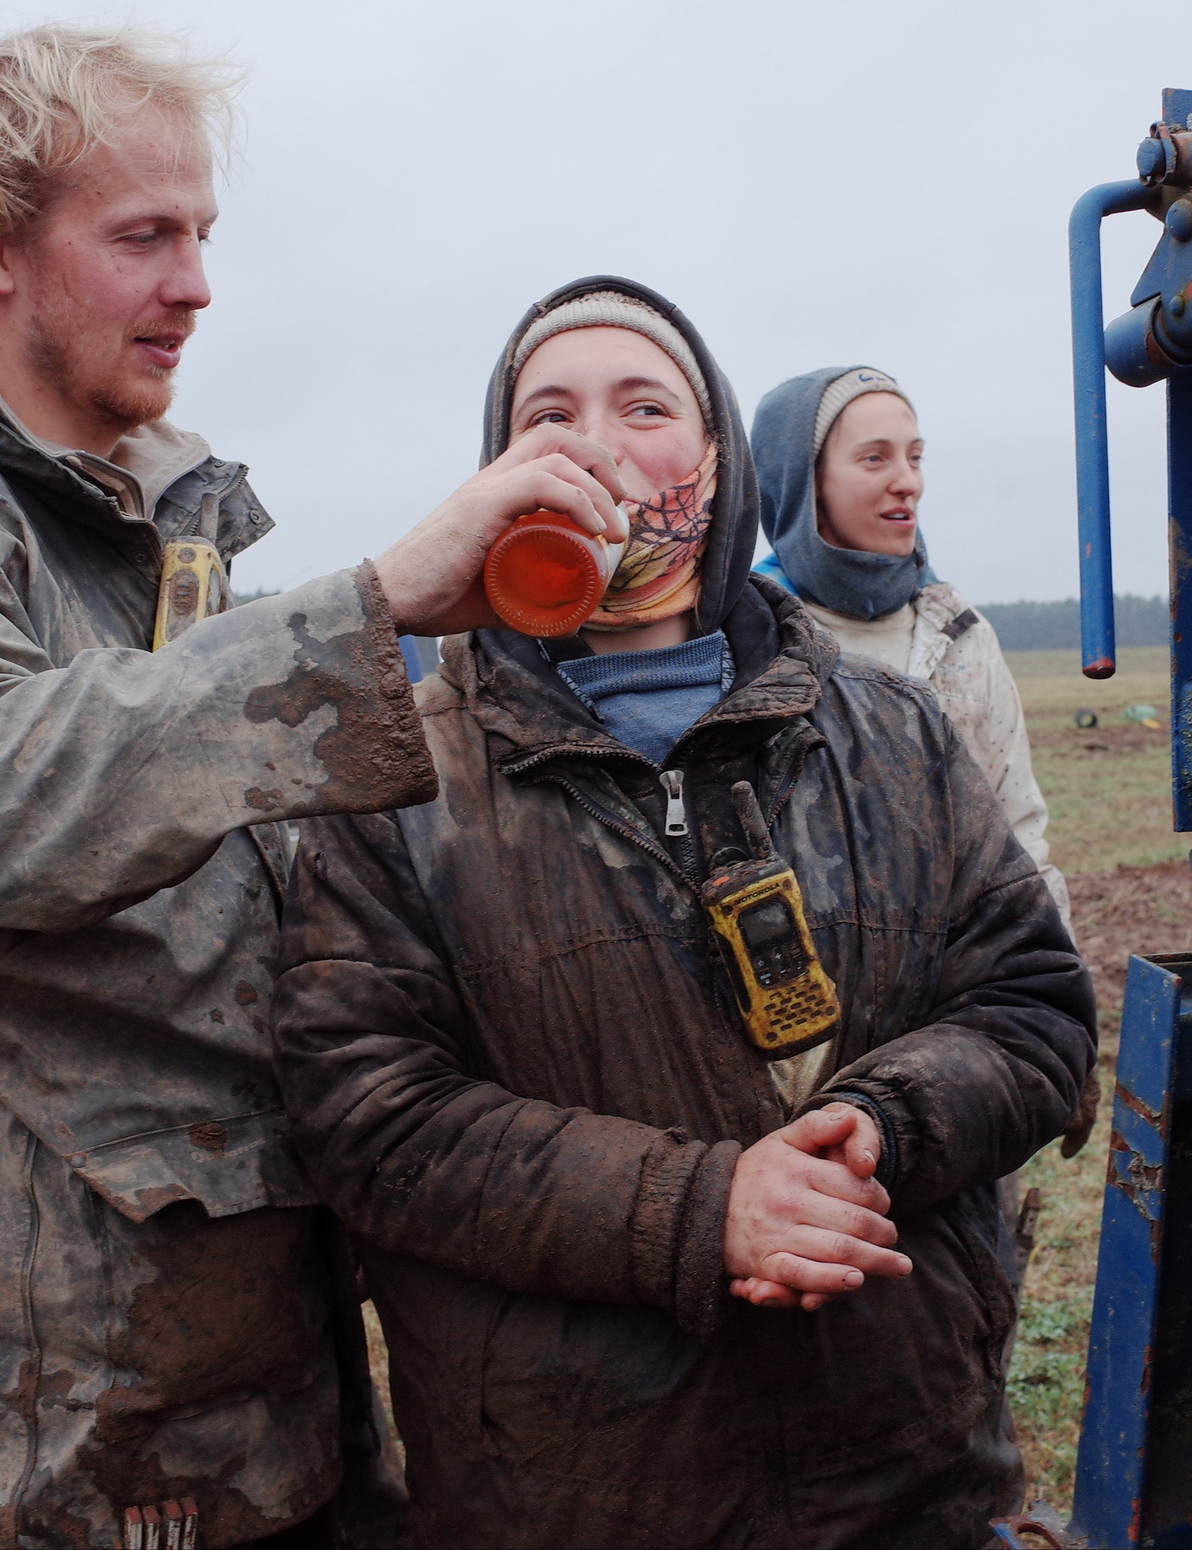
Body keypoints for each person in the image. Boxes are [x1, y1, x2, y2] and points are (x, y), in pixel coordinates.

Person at [0, 25, 636, 1549]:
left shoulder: (158, 516)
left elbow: (225, 844)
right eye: (143, 237)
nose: (197, 285)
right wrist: (368, 610)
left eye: (204, 234)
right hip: (89, 1421)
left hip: (262, 1348)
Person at [271, 276, 1097, 1547]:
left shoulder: (892, 731)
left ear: (719, 459)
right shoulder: (401, 776)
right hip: (568, 1495)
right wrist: (702, 1210)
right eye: (549, 415)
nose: (595, 445)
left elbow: (1034, 1010)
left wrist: (879, 1128)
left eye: (645, 406)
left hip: (903, 1468)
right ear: (499, 474)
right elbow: (368, 1114)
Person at [751, 368, 1068, 921]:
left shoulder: (961, 636)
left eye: (915, 457)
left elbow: (1021, 841)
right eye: (875, 458)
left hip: (965, 968)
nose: (908, 482)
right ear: (803, 481)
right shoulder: (746, 645)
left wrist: (1052, 967)